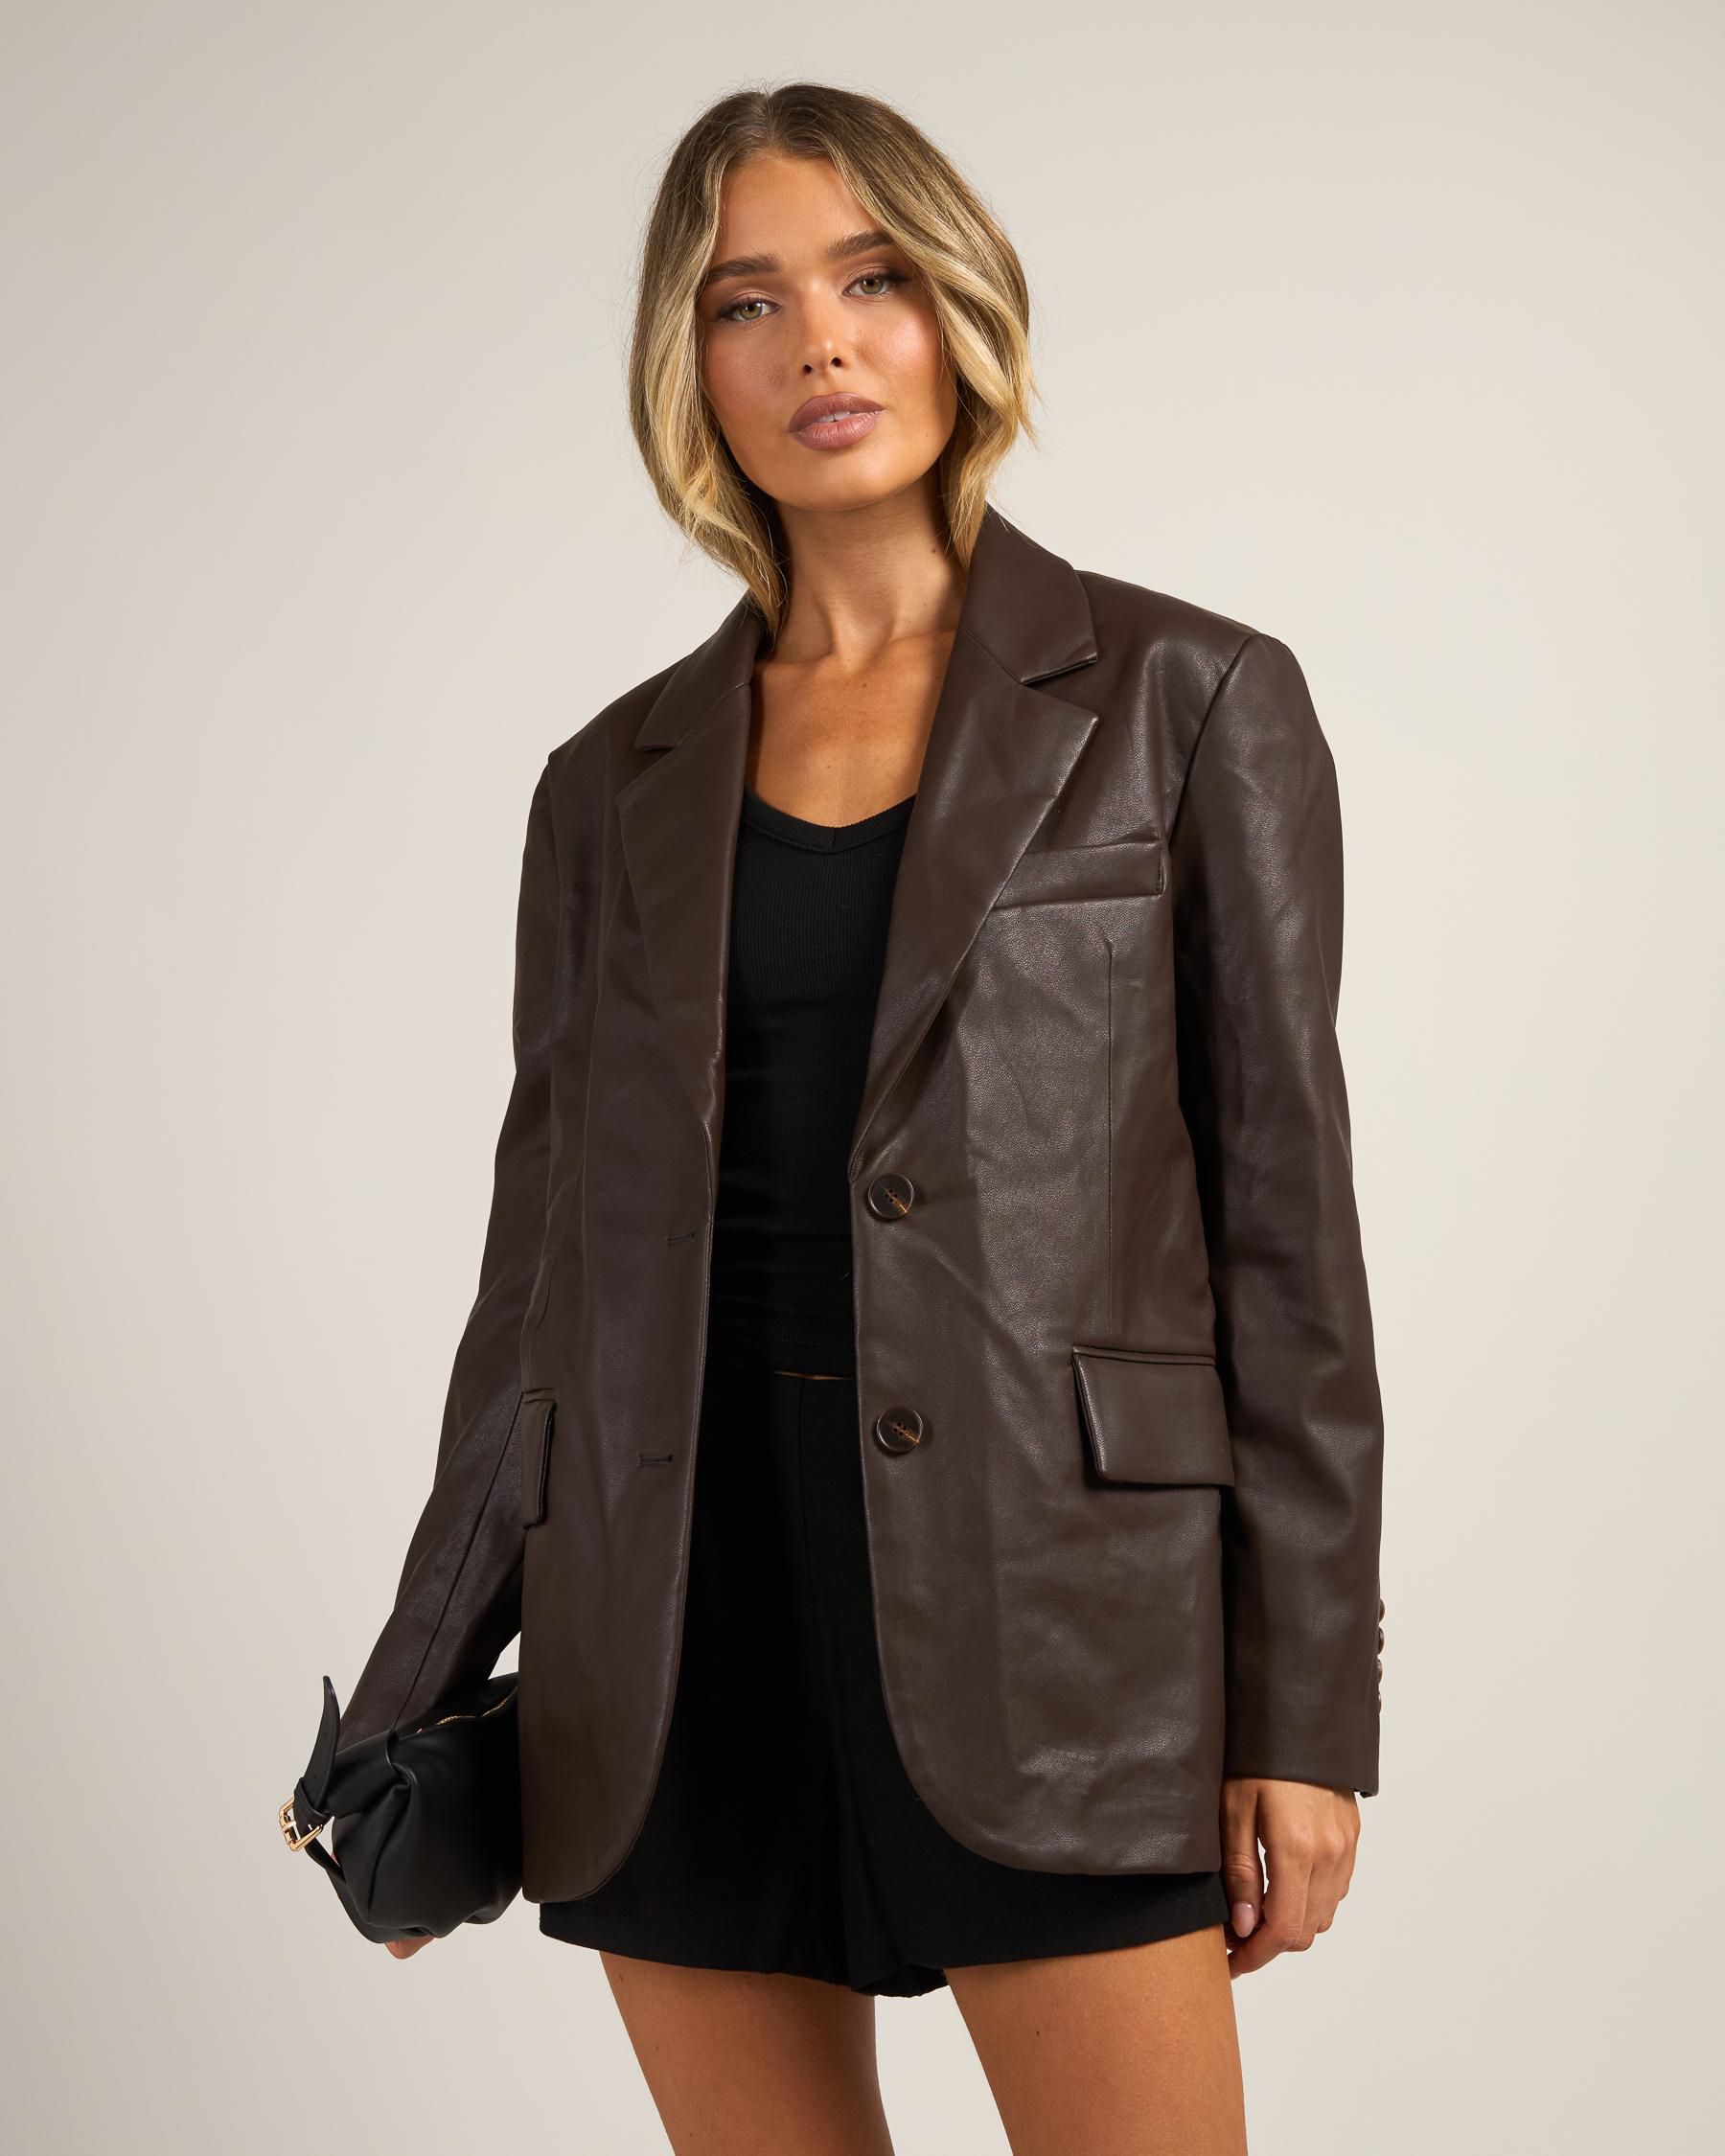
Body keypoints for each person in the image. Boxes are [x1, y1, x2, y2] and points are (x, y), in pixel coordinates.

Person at [336, 80, 1386, 2156]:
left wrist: (1307, 1710)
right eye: (749, 301)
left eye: (872, 278)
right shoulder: (607, 785)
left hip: (1061, 1615)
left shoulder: (1189, 701)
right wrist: (409, 1700)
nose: (818, 342)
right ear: (693, 365)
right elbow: (537, 1287)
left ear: (957, 309)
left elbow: (1289, 1248)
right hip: (673, 1617)